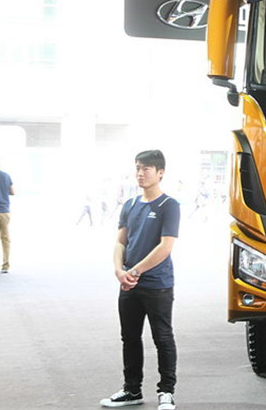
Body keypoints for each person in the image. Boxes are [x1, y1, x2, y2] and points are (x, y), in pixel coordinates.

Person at [100, 150, 180, 410]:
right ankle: (132, 390)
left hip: (157, 285)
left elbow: (165, 247)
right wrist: (118, 270)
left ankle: (166, 392)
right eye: (137, 168)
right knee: (130, 338)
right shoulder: (130, 205)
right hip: (129, 284)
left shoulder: (169, 205)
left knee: (163, 338)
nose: (140, 173)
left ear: (160, 173)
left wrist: (133, 272)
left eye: (146, 168)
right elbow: (120, 242)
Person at [0, 158, 14, 274]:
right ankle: (6, 266)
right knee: (5, 238)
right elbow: (12, 192)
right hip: (5, 211)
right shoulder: (6, 176)